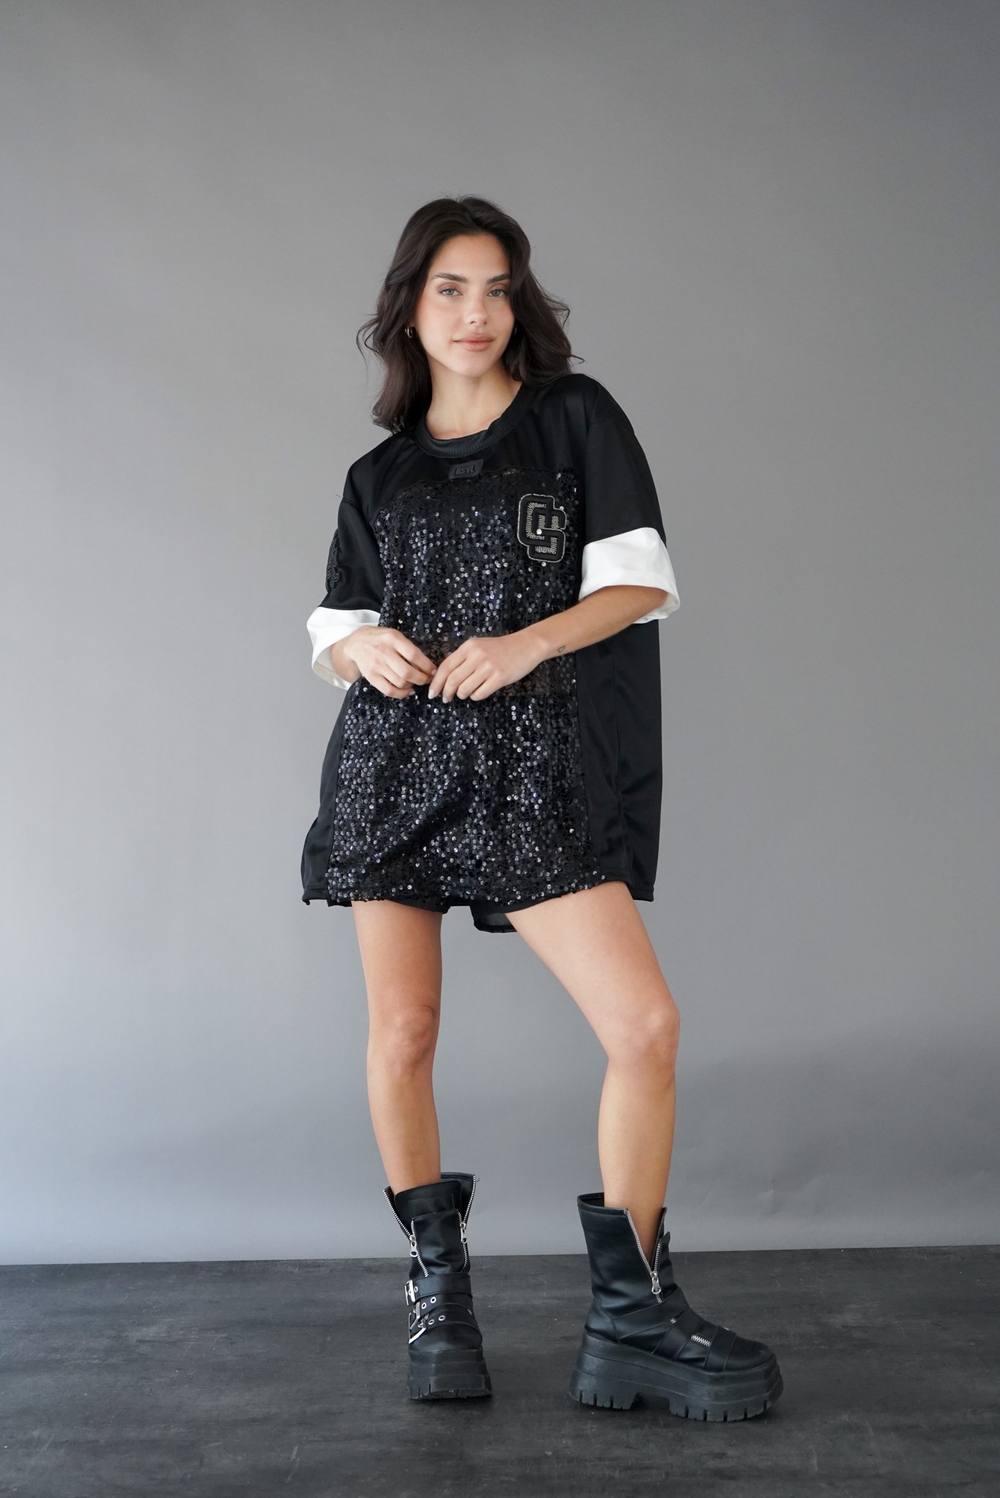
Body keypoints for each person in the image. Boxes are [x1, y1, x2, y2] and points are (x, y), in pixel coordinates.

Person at [302, 196, 782, 1419]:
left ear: (519, 303)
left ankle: (630, 1317)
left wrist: (523, 644)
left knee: (644, 1026)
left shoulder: (574, 419)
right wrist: (357, 651)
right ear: (410, 306)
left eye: (497, 287)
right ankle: (439, 1299)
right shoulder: (378, 472)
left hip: (534, 768)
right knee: (404, 1032)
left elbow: (637, 581)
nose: (476, 312)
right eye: (450, 288)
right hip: (395, 767)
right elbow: (337, 624)